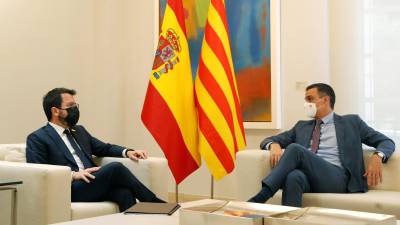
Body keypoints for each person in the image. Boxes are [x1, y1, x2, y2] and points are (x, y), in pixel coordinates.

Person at [249, 83, 395, 207]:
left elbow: (386, 141)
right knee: (293, 177)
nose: (306, 104)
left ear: (325, 100)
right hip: (310, 177)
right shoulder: (302, 126)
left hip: (339, 178)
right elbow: (267, 140)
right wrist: (273, 144)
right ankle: (288, 221)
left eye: (310, 99)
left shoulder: (352, 122)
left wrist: (378, 156)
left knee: (295, 149)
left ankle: (262, 196)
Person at [26, 88, 165, 212]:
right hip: (70, 188)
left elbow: (104, 148)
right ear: (55, 111)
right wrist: (73, 175)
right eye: (70, 106)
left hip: (92, 182)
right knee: (116, 168)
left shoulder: (79, 131)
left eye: (76, 105)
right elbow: (38, 171)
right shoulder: (38, 138)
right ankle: (155, 203)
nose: (75, 109)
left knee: (125, 193)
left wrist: (127, 152)